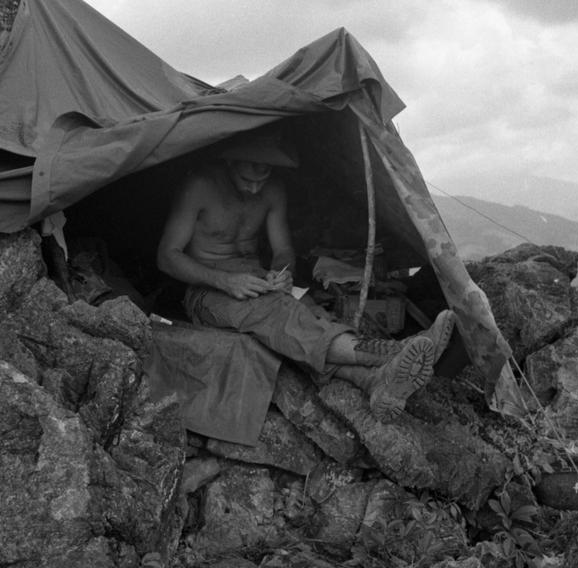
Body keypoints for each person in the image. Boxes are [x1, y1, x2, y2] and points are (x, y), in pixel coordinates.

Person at [157, 126, 455, 422]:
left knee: (310, 314)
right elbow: (167, 257)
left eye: (263, 178)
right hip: (207, 289)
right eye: (247, 178)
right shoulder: (199, 186)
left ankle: (375, 382)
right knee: (277, 317)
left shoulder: (272, 190)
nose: (255, 188)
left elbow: (283, 248)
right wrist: (226, 281)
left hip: (257, 277)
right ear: (231, 162)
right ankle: (388, 353)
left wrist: (281, 272)